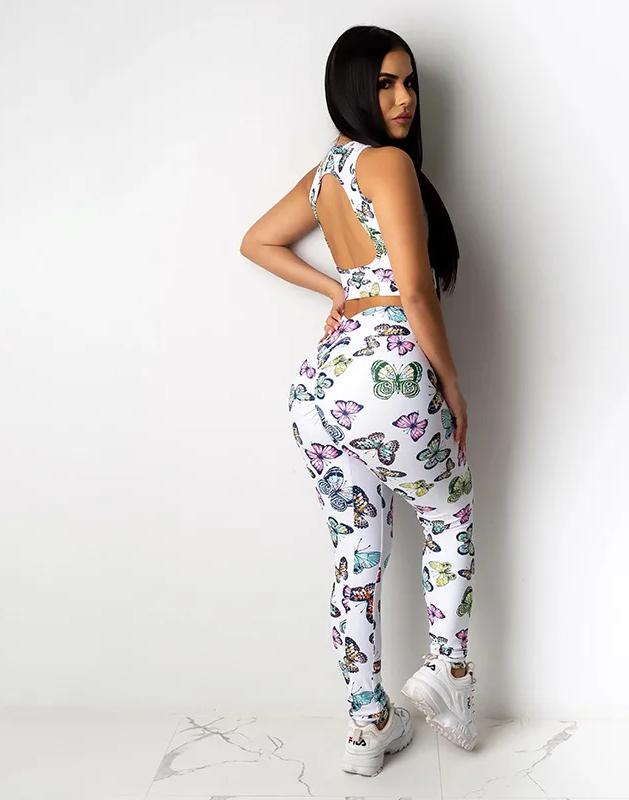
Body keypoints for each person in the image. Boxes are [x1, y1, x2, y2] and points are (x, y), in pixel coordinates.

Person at [239, 25, 477, 776]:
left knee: (356, 553)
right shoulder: (387, 163)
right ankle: (448, 672)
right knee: (449, 513)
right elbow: (413, 289)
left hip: (319, 388)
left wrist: (338, 290)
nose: (404, 99)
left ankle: (367, 725)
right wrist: (450, 379)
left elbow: (258, 241)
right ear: (351, 89)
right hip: (386, 375)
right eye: (384, 84)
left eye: (410, 82)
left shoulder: (327, 175)